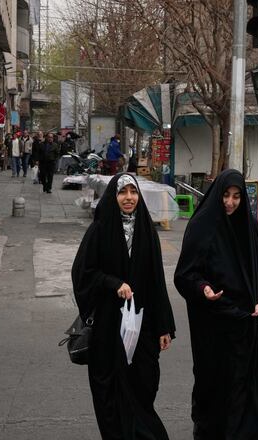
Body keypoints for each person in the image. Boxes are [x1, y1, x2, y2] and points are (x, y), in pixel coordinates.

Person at [175, 169, 258, 440]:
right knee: (217, 391)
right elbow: (185, 275)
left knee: (252, 392)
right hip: (213, 325)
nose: (230, 202)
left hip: (246, 324)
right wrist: (203, 289)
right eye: (225, 195)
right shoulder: (202, 227)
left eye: (237, 196)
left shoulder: (248, 227)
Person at [72, 173, 176, 439]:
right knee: (110, 391)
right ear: (113, 196)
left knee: (143, 384)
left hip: (143, 326)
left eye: (133, 192)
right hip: (108, 326)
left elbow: (157, 282)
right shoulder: (100, 230)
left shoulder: (147, 232)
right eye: (122, 192)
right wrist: (113, 283)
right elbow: (83, 273)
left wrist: (164, 326)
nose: (129, 198)